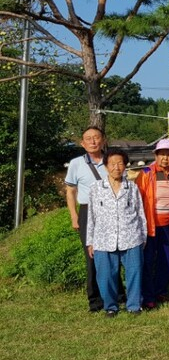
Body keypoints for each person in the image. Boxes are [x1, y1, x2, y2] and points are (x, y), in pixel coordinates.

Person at [85, 149, 145, 317]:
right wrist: (90, 241)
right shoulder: (96, 188)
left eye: (120, 164)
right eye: (112, 164)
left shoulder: (131, 187)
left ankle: (134, 306)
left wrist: (143, 236)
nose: (116, 167)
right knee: (105, 276)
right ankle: (111, 307)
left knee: (134, 273)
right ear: (106, 167)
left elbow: (140, 213)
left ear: (125, 166)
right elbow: (91, 217)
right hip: (103, 240)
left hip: (131, 237)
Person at [65, 125, 109, 312]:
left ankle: (117, 294)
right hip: (88, 212)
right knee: (91, 255)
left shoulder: (112, 160)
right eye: (88, 138)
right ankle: (95, 300)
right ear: (83, 144)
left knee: (113, 253)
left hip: (110, 210)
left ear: (103, 140)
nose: (93, 141)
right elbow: (71, 191)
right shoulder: (76, 163)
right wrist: (74, 216)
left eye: (96, 137)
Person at [136, 139, 169, 309]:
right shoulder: (147, 173)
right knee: (148, 261)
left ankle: (161, 291)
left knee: (165, 260)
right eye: (162, 154)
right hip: (150, 226)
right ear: (156, 155)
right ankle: (147, 296)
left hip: (168, 225)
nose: (165, 158)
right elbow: (138, 199)